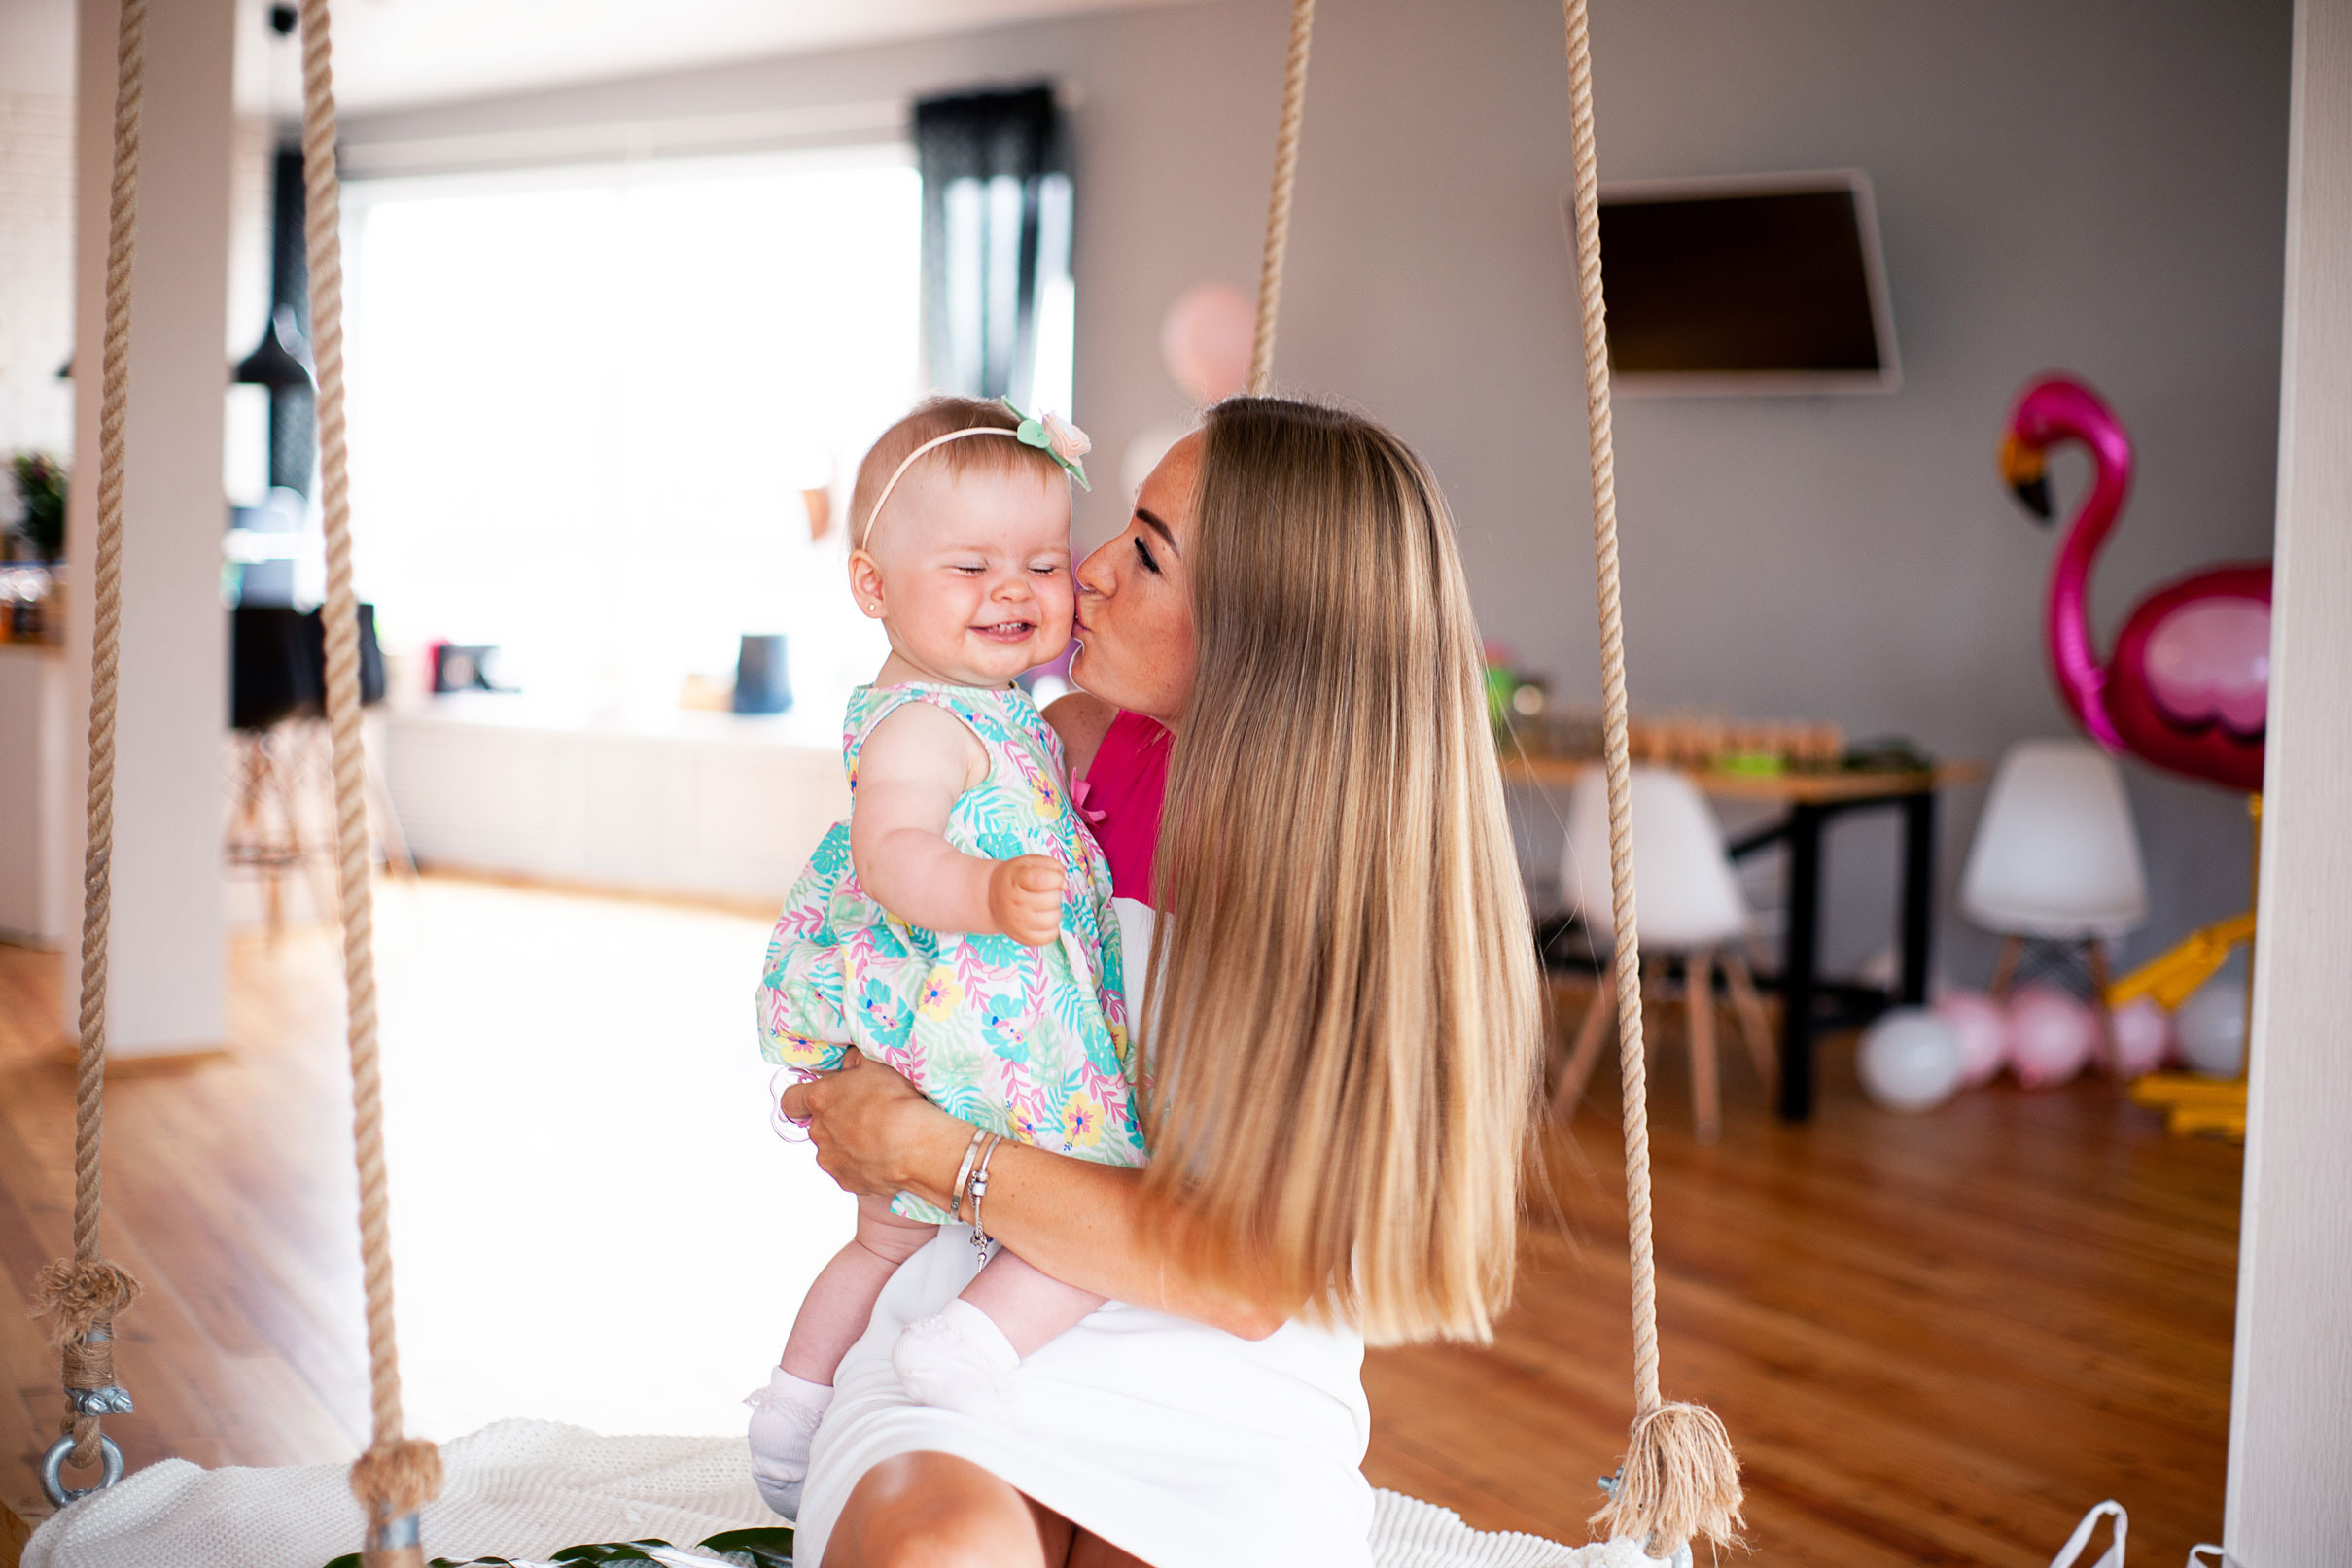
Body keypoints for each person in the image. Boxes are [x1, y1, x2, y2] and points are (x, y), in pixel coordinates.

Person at [779, 396, 1543, 1568]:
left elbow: (1243, 1276)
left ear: (1262, 629)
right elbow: (908, 747)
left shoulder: (1366, 898)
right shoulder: (1056, 756)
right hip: (968, 1331)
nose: (1084, 572)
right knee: (940, 1551)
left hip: (1234, 1389)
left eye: (1142, 553)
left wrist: (927, 1150)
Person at [747, 396, 1145, 1519]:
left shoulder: (1003, 707)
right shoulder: (921, 721)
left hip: (957, 1000)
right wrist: (984, 888)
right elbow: (889, 851)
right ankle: (973, 1340)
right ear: (874, 588)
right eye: (970, 565)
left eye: (1041, 562)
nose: (1013, 591)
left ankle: (792, 1401)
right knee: (1101, 1186)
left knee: (884, 1234)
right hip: (971, 1008)